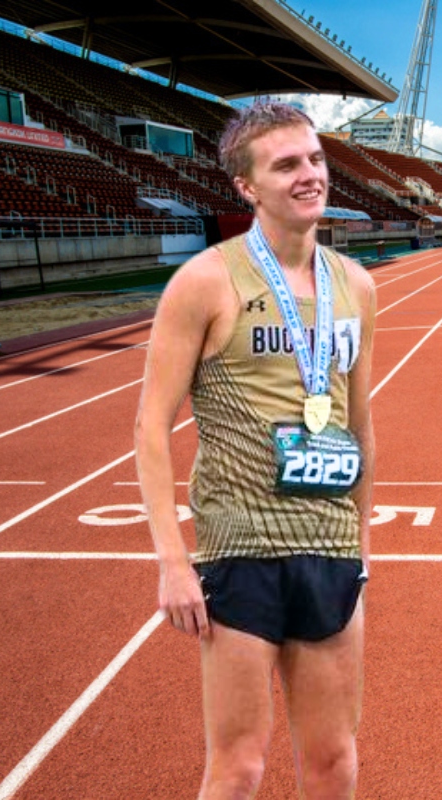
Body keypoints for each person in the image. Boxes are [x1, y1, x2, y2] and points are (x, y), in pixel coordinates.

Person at [135, 101, 376, 799]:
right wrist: (173, 563)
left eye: (315, 159)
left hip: (328, 547)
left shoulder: (355, 287)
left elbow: (361, 427)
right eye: (286, 165)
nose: (310, 175)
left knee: (334, 761)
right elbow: (151, 426)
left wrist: (360, 542)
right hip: (238, 553)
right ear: (247, 187)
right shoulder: (206, 281)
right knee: (238, 767)